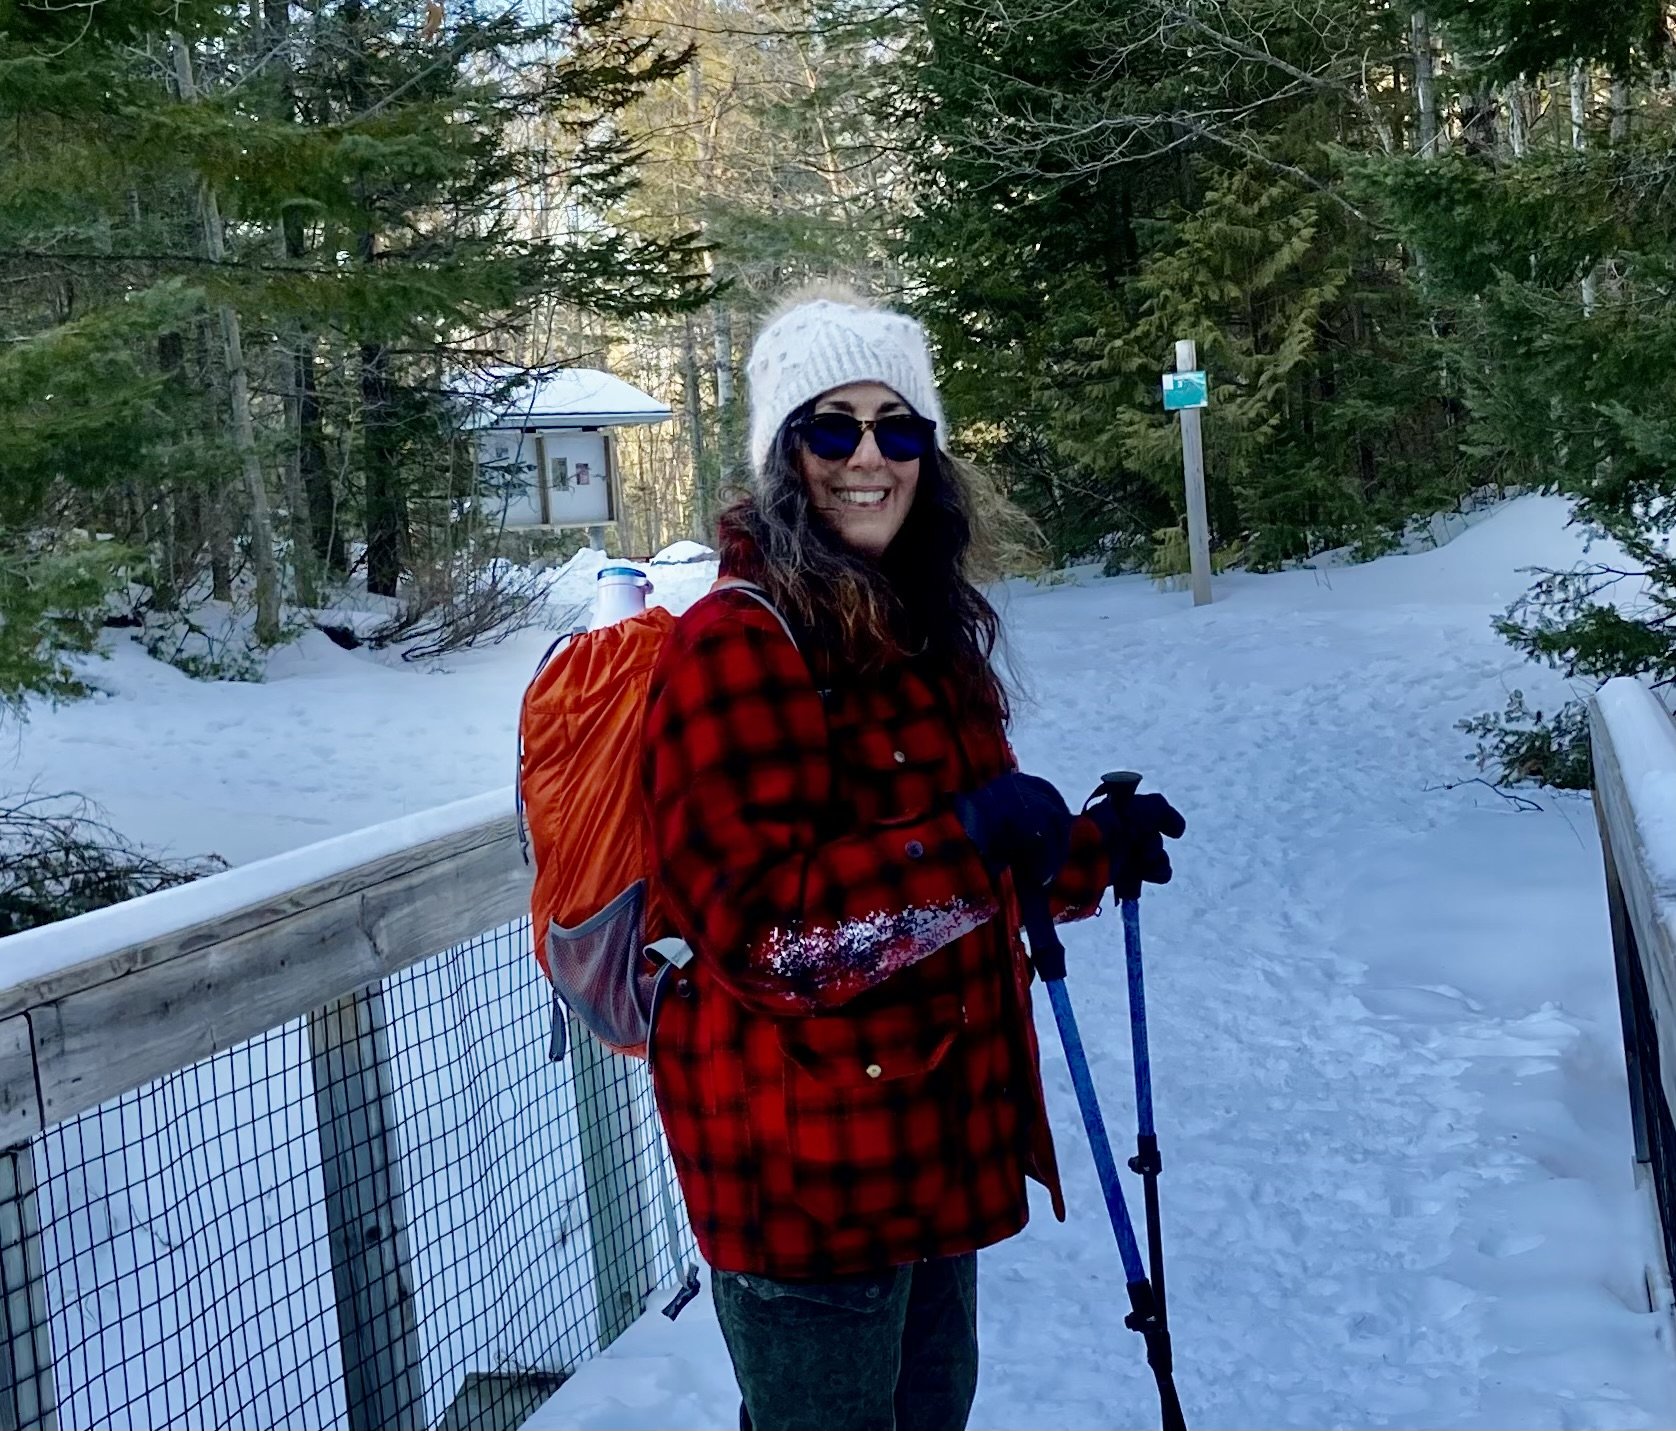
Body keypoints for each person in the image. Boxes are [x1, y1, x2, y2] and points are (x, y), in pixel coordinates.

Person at [642, 286, 1185, 1431]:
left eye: (897, 428)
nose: (867, 457)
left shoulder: (921, 630)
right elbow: (766, 937)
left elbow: (977, 860)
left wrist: (1091, 851)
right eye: (831, 427)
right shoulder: (735, 645)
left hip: (928, 1138)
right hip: (800, 1174)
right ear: (783, 454)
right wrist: (963, 843)